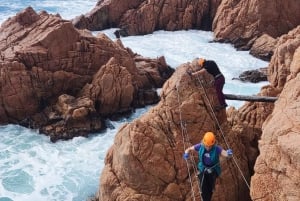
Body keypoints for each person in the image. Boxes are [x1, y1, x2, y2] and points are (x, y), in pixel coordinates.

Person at [183, 132, 233, 201]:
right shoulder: (200, 146)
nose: (208, 147)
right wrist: (186, 153)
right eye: (207, 145)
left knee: (210, 187)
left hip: (213, 169)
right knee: (203, 186)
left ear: (213, 144)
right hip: (203, 168)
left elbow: (224, 153)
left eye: (210, 146)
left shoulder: (216, 148)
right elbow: (189, 149)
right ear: (204, 143)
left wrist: (228, 153)